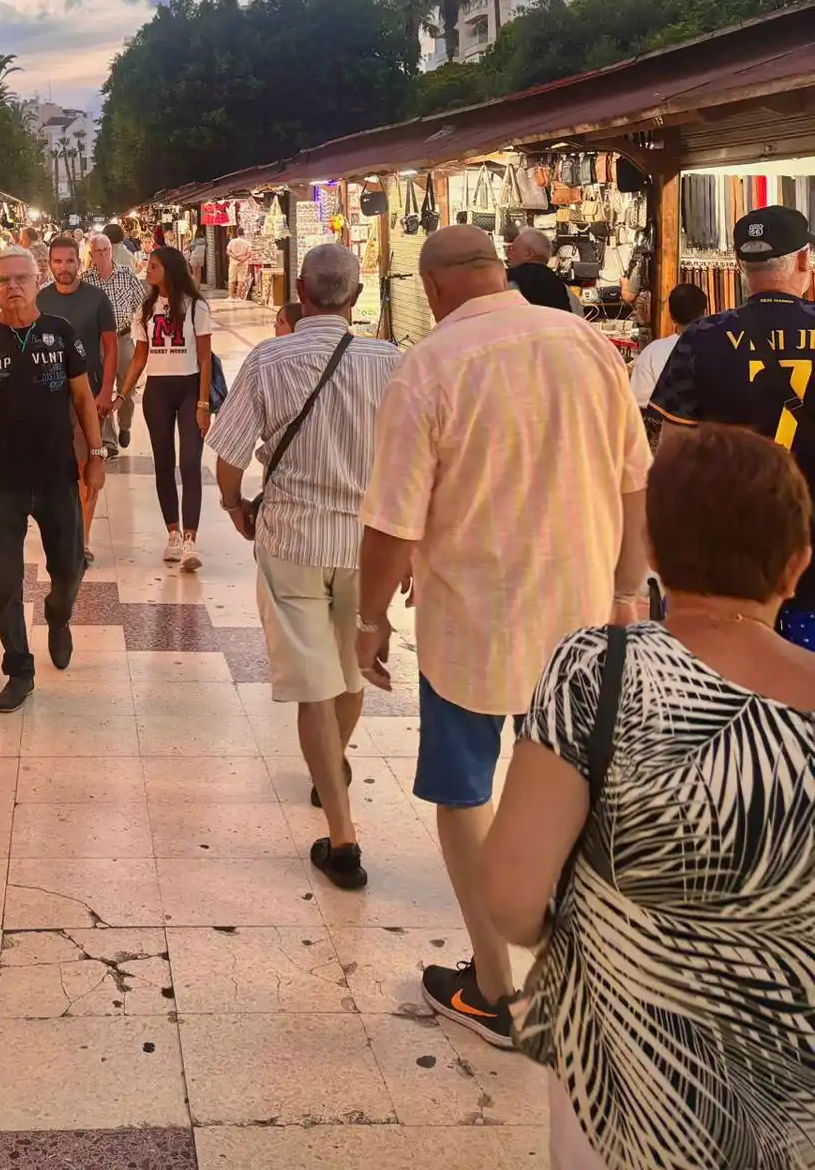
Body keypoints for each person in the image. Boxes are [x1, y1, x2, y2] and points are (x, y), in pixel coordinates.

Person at [484, 423, 815, 1169]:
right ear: (795, 568)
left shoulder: (597, 673)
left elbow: (508, 896)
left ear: (656, 552)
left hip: (621, 1087)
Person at [355, 225, 652, 1046]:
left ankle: (496, 988)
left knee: (463, 792)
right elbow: (637, 481)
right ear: (500, 271)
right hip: (584, 617)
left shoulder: (431, 365)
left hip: (475, 628)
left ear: (437, 286)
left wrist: (368, 618)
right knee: (573, 796)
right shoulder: (588, 343)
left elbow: (390, 523)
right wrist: (629, 591)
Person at [210, 244, 401, 893]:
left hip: (291, 538)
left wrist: (236, 507)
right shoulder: (391, 362)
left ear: (299, 289)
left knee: (314, 683)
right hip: (368, 544)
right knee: (347, 673)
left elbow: (230, 457)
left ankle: (343, 837)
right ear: (357, 293)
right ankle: (333, 769)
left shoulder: (270, 358)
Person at [0, 245, 104, 712]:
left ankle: (58, 614)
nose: (12, 287)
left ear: (37, 282)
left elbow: (84, 399)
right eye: (1, 280)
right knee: (3, 581)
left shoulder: (60, 333)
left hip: (56, 476)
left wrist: (95, 456)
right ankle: (19, 667)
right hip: (2, 482)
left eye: (20, 278)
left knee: (69, 568)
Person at [650, 205, 815, 648]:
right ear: (803, 260)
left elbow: (673, 456)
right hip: (810, 554)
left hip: (724, 561)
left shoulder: (703, 337)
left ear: (742, 266)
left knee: (720, 700)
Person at [116, 244, 213, 570]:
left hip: (189, 389)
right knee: (163, 463)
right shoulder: (146, 309)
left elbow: (203, 358)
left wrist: (203, 403)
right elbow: (140, 357)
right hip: (157, 392)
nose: (148, 270)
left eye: (154, 266)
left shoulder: (196, 306)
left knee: (189, 463)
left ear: (168, 269)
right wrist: (122, 394)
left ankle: (191, 539)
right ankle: (172, 533)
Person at [39, 234, 118, 561]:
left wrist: (106, 391)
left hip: (88, 397)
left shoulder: (97, 300)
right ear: (49, 264)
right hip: (49, 398)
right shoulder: (40, 300)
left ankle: (82, 540)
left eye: (70, 261)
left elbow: (111, 347)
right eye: (57, 261)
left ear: (79, 261)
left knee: (89, 466)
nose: (64, 267)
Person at [85, 231, 144, 456]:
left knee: (126, 388)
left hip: (123, 338)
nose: (102, 255)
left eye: (105, 250)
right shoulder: (86, 280)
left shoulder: (126, 274)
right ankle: (108, 440)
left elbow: (142, 303)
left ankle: (126, 424)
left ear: (112, 250)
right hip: (98, 341)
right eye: (97, 252)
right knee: (102, 389)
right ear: (91, 254)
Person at [626, 281, 708, 411]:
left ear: (671, 316)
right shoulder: (721, 349)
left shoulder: (652, 352)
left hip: (664, 428)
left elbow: (639, 405)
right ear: (704, 313)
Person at [506, 227, 579, 313]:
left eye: (512, 249)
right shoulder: (567, 292)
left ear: (528, 253)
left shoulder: (507, 281)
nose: (508, 254)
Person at [227, 230, 254, 300]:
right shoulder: (247, 243)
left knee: (231, 280)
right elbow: (249, 254)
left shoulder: (232, 241)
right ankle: (238, 297)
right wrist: (243, 259)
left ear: (237, 233)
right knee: (241, 280)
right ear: (244, 234)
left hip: (233, 263)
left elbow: (228, 251)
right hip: (243, 263)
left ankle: (230, 297)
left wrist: (235, 257)